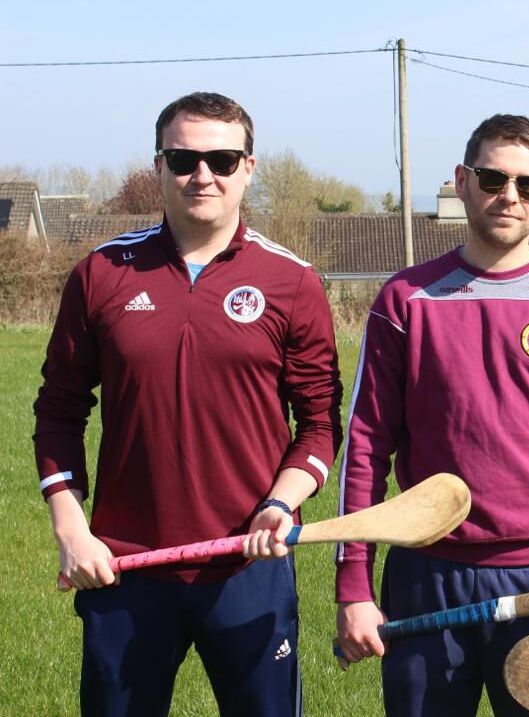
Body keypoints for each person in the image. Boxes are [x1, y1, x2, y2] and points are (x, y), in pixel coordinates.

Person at [34, 91, 342, 715]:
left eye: (222, 160)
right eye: (183, 160)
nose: (203, 175)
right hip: (126, 564)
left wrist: (280, 503)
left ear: (248, 168)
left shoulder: (293, 281)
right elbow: (58, 411)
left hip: (248, 565)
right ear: (159, 166)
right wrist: (72, 530)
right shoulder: (101, 272)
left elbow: (319, 426)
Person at [334, 114, 529, 717]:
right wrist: (353, 586)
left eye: (528, 184)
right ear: (462, 181)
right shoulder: (407, 298)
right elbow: (365, 448)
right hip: (428, 575)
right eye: (493, 178)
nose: (510, 195)